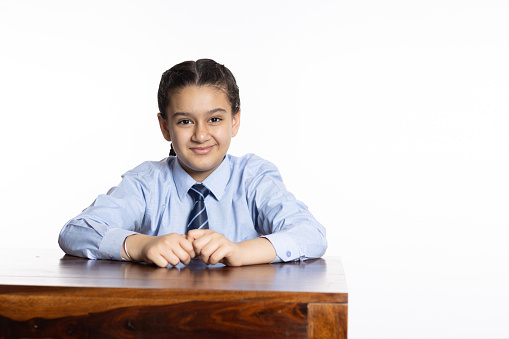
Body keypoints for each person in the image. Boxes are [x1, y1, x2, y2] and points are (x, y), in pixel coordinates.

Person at [58, 59, 327, 267]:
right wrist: (140, 246)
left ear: (235, 121)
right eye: (185, 121)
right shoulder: (147, 182)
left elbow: (311, 234)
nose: (200, 135)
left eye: (215, 119)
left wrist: (242, 251)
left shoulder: (253, 178)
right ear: (165, 127)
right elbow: (75, 231)